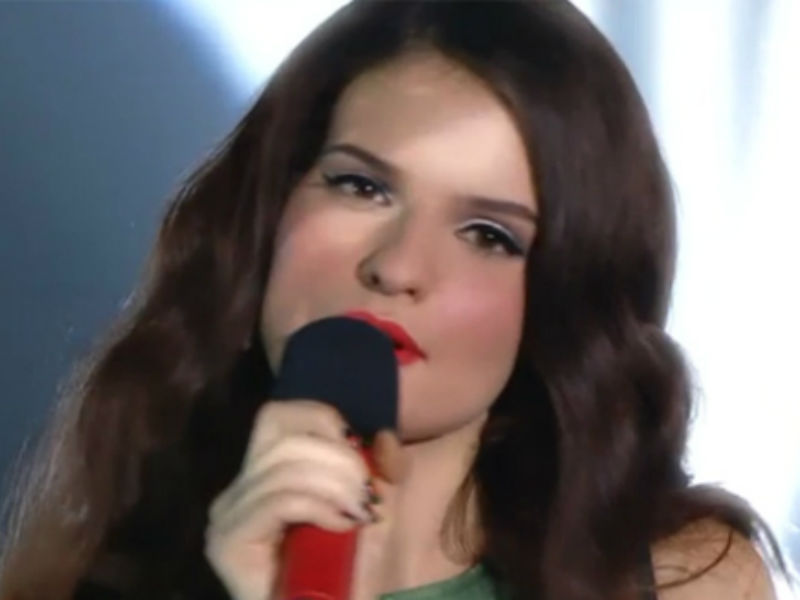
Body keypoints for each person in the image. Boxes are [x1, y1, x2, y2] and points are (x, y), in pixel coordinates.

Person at [0, 1, 790, 599]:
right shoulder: (93, 579)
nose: (397, 266)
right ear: (267, 209)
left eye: (488, 234)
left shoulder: (679, 579)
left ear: (562, 297)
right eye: (361, 186)